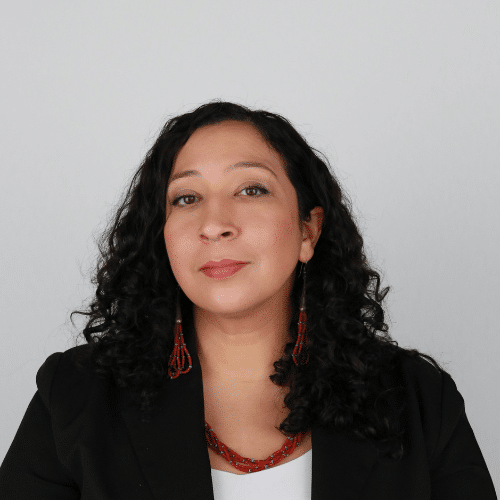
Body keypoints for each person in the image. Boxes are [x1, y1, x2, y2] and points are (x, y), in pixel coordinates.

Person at [0, 100, 496, 499]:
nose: (215, 224)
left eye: (251, 190)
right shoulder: (74, 399)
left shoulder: (417, 399)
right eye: (186, 198)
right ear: (162, 236)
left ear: (308, 231)